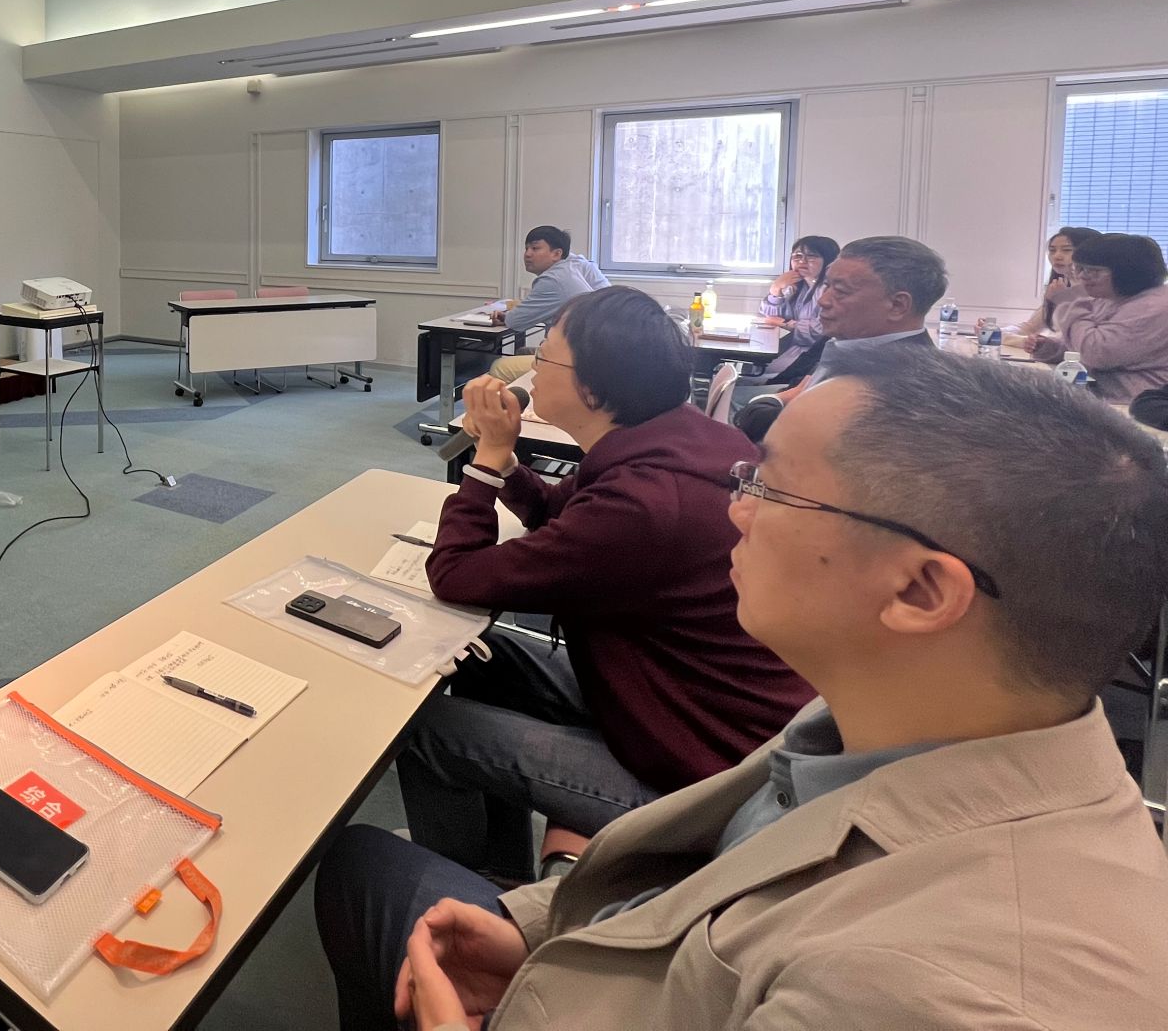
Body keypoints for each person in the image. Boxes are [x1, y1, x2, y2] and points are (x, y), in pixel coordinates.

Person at [318, 350, 1168, 1030]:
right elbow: (719, 875)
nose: (735, 511)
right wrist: (540, 924)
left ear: (919, 591)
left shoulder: (925, 993)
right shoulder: (886, 717)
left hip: (648, 775)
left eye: (771, 487)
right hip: (610, 919)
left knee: (361, 865)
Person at [407, 287, 814, 885]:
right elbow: (556, 513)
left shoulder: (642, 505)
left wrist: (488, 457)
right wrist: (512, 465)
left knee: (425, 732)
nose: (532, 370)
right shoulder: (686, 438)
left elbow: (455, 576)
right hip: (672, 696)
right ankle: (499, 862)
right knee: (477, 657)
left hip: (702, 775)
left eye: (544, 356)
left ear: (592, 391)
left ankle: (470, 893)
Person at [730, 235, 945, 435]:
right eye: (827, 286)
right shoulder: (852, 343)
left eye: (841, 291)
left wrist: (770, 402)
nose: (823, 300)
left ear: (897, 305)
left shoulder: (898, 381)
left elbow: (788, 431)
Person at [1031, 231, 1168, 401]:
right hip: (1105, 397)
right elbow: (1083, 344)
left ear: (1128, 272)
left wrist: (1069, 302)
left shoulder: (1154, 308)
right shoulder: (1113, 297)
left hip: (1137, 405)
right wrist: (1050, 348)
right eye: (1080, 269)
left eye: (1094, 271)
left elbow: (1096, 353)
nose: (1082, 276)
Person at [477, 227, 609, 385]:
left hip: (576, 359)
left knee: (500, 367)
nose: (527, 254)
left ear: (557, 254)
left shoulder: (552, 280)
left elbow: (515, 321)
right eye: (526, 248)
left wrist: (507, 316)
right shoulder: (577, 265)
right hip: (594, 353)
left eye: (535, 248)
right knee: (523, 352)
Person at [1007, 225, 1101, 340]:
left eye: (1067, 250)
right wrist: (995, 331)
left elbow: (1082, 339)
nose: (1057, 256)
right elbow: (1030, 327)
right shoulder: (1059, 286)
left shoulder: (1100, 292)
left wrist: (1063, 299)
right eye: (1052, 250)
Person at [757, 235, 838, 348]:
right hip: (791, 347)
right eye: (797, 256)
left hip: (816, 352)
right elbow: (768, 319)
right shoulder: (794, 285)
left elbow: (820, 332)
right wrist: (776, 290)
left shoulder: (831, 290)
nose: (802, 261)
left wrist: (785, 324)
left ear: (829, 261)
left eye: (811, 256)